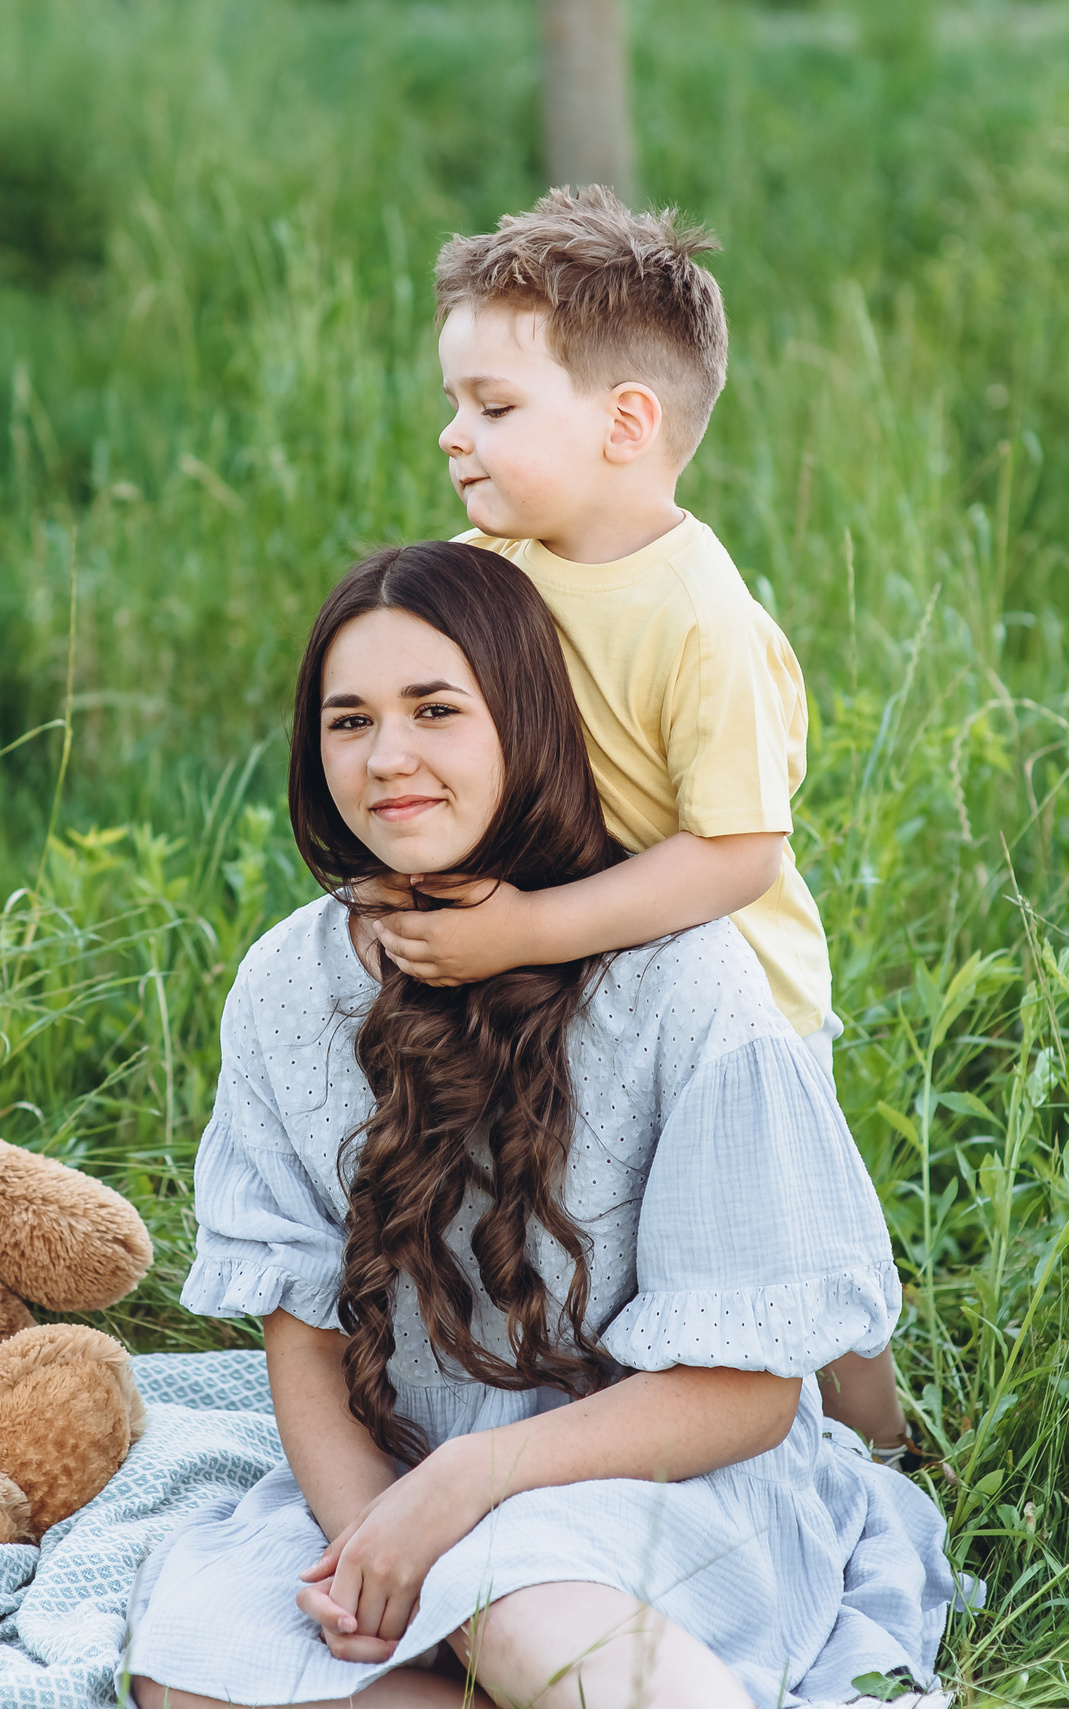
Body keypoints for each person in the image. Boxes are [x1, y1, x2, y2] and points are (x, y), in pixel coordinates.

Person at [124, 542, 958, 1708]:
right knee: (198, 1672)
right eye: (348, 720)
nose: (389, 757)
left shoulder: (686, 982)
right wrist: (376, 1536)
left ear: (526, 719)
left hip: (671, 1479)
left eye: (435, 710)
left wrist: (473, 1483)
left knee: (517, 1604)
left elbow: (751, 1391)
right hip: (412, 1471)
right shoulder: (286, 981)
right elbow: (304, 1334)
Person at [375, 187, 911, 1456]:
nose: (456, 435)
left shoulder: (696, 616)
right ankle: (598, 1409)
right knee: (610, 1217)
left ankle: (887, 1453)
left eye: (494, 408)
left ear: (628, 422)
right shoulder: (493, 568)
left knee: (793, 1242)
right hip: (583, 962)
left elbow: (736, 854)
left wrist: (522, 930)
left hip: (731, 989)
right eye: (454, 404)